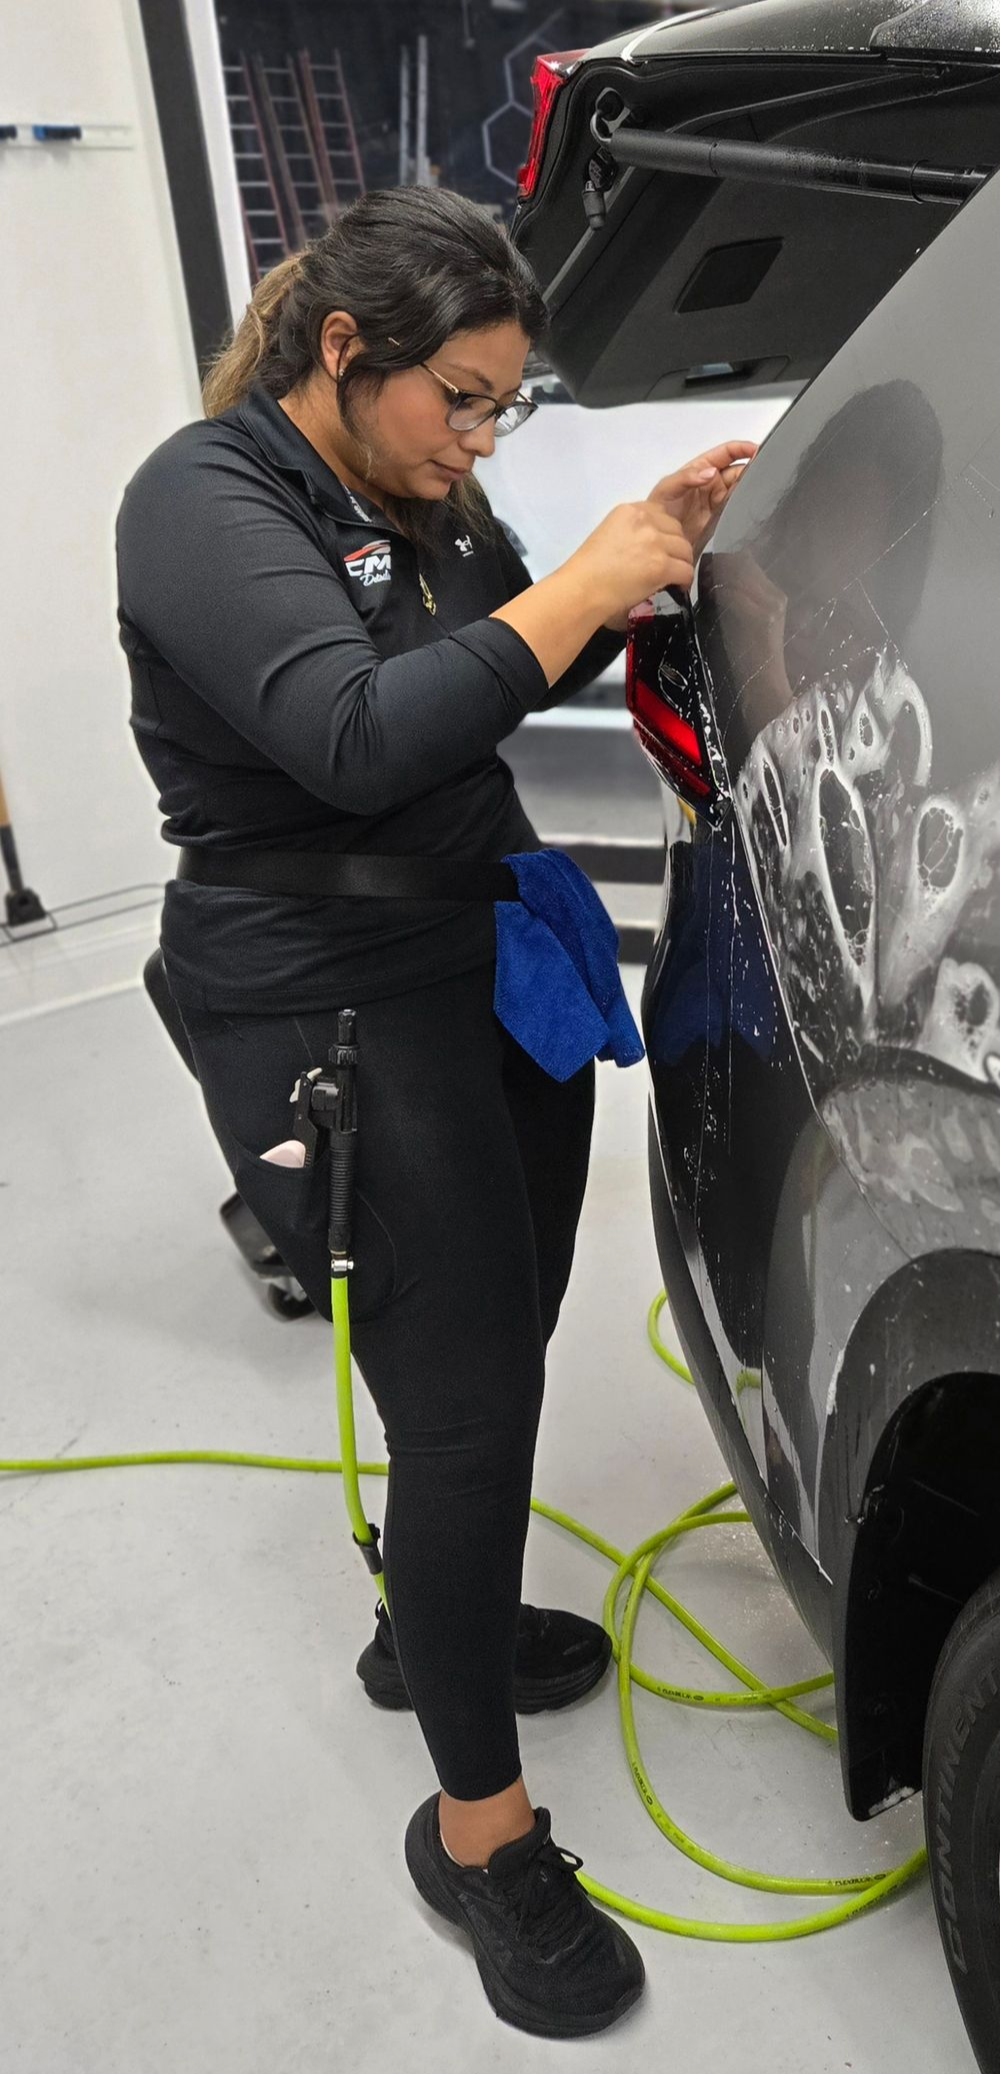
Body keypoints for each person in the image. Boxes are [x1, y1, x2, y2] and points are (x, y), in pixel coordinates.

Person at [115, 185, 754, 2039]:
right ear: (344, 351)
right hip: (321, 989)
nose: (479, 438)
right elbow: (357, 733)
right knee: (464, 1402)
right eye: (459, 399)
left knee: (501, 1341)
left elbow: (506, 669)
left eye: (501, 410)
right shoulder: (203, 496)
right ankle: (479, 1838)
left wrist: (663, 569)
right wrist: (585, 582)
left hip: (482, 949)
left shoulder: (427, 494)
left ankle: (427, 1632)